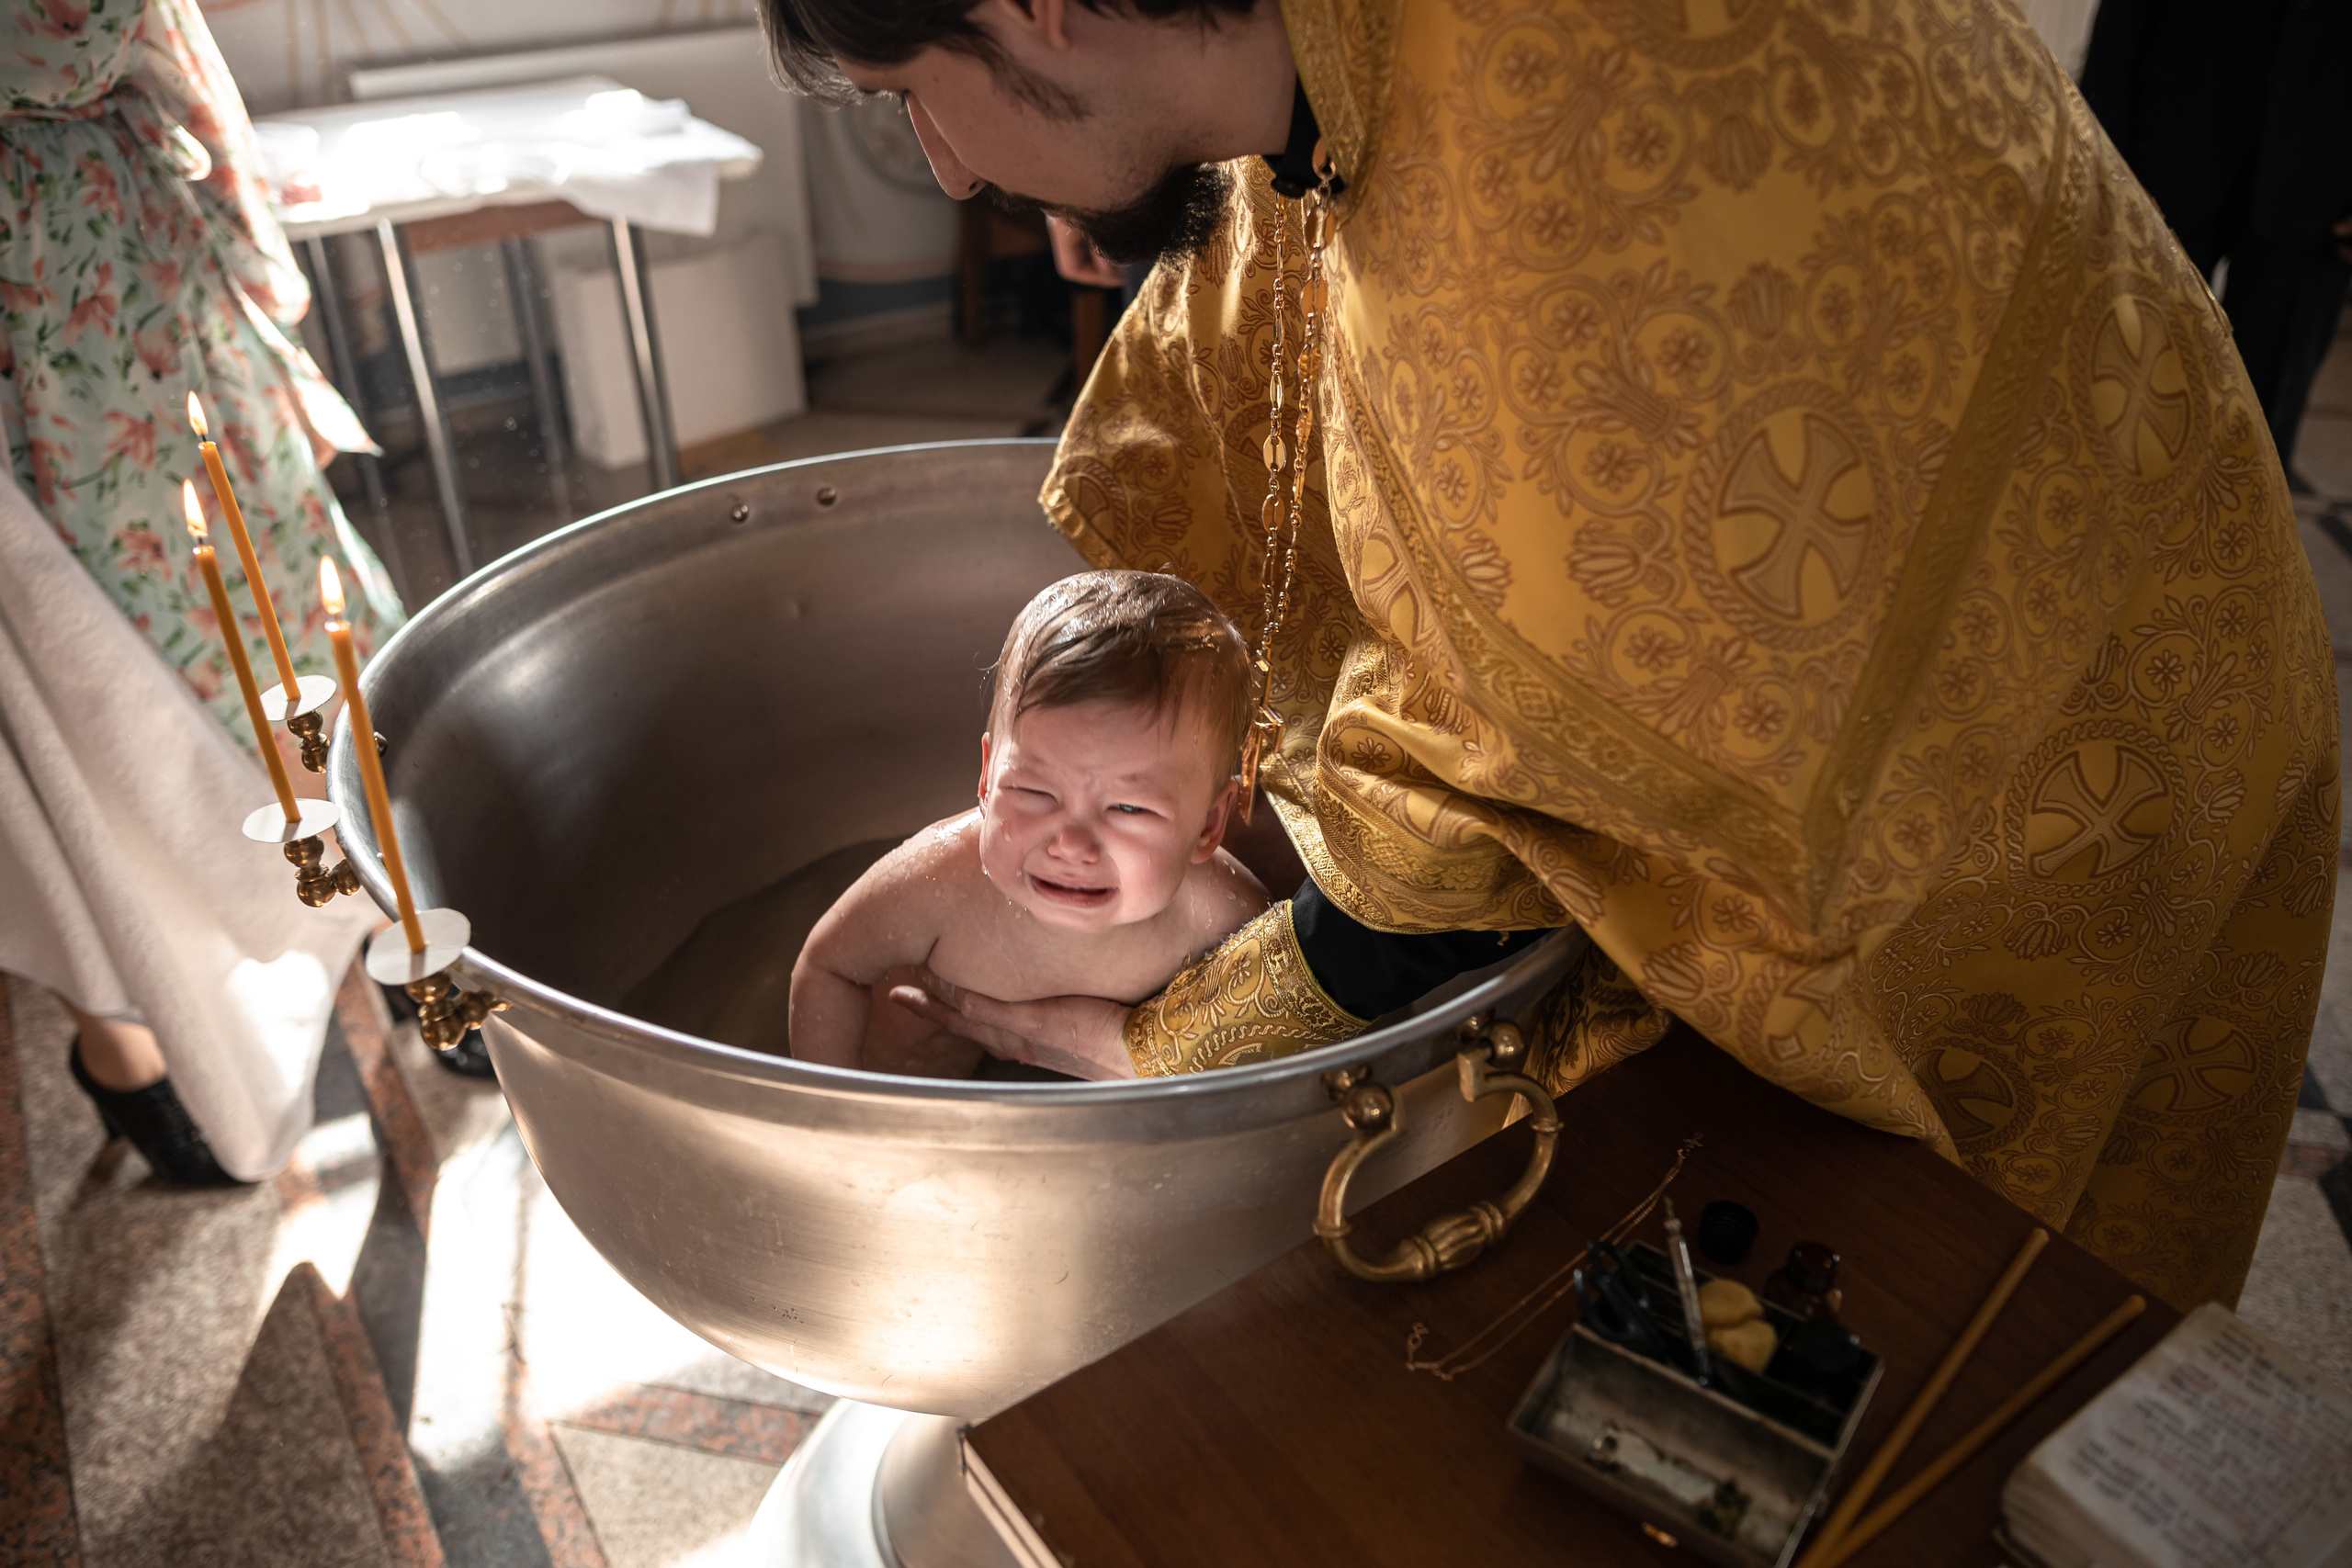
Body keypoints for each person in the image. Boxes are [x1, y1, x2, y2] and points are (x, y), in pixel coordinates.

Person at [758, 0, 2336, 1311]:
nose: (949, 173)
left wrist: (1149, 1047)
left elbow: (1446, 849)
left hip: (2056, 738)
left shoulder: (1535, 277)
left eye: (914, 99)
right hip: (2061, 425)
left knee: (1934, 1322)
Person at [2, 0, 403, 1181]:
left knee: (289, 623)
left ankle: (403, 928)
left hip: (136, 260)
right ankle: (121, 1031)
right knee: (75, 705)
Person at [790, 570, 1268, 1076]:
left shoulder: (1219, 915)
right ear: (987, 779)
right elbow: (829, 968)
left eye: (1130, 808)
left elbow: (1270, 1033)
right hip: (931, 1062)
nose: (1071, 843)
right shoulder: (936, 882)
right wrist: (836, 1120)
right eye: (1035, 792)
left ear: (1209, 826)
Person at [2079, 0, 2352, 475]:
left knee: (2257, 434)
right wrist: (2096, 142)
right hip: (2165, 138)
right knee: (2121, 394)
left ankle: (2237, 549)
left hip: (2325, 168)